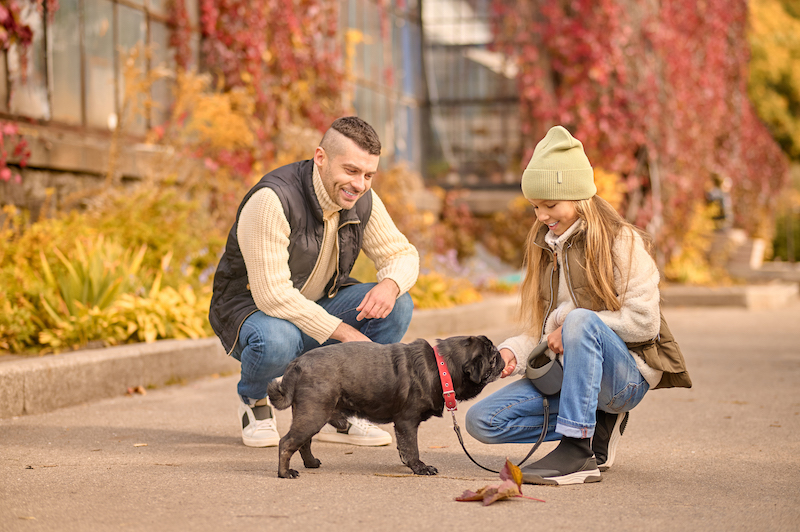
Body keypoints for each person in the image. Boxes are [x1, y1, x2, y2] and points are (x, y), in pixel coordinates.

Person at [465, 125, 691, 485]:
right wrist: (513, 353)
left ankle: (577, 449)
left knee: (581, 321)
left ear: (578, 197)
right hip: (569, 377)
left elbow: (644, 323)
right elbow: (544, 331)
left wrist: (570, 328)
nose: (541, 216)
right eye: (535, 206)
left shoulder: (621, 241)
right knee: (483, 421)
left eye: (550, 205)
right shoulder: (547, 246)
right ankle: (594, 422)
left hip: (623, 378)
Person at [209, 116, 420, 448]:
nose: (360, 184)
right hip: (253, 310)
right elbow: (273, 295)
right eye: (350, 171)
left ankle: (342, 410)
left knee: (398, 306)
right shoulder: (272, 200)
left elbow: (402, 253)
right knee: (279, 339)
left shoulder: (362, 198)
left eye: (368, 175)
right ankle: (255, 401)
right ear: (321, 157)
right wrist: (346, 334)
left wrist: (391, 285)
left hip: (317, 303)